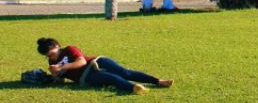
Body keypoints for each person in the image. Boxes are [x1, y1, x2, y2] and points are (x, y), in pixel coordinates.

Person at [36, 37, 173, 94]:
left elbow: (82, 62)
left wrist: (61, 67)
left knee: (125, 72)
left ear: (58, 46)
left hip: (96, 61)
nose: (51, 57)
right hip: (86, 76)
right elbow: (61, 81)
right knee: (111, 78)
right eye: (48, 56)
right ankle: (134, 88)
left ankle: (158, 81)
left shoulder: (69, 49)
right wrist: (55, 75)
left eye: (52, 53)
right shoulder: (52, 63)